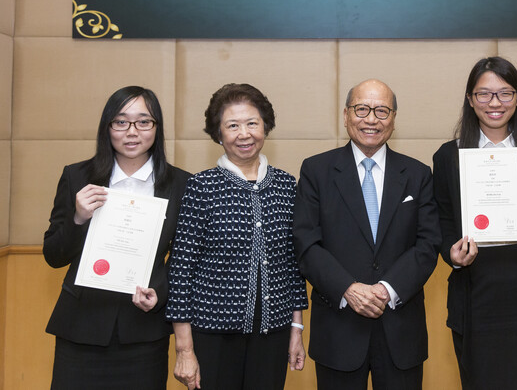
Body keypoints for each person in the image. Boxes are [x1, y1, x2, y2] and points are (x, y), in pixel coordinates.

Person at [293, 78, 441, 389]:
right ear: (345, 115)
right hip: (339, 328)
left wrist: (387, 288)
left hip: (400, 330)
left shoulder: (417, 175)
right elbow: (306, 243)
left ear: (394, 119)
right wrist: (348, 288)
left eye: (382, 111)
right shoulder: (316, 171)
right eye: (362, 109)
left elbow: (428, 244)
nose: (371, 119)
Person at [432, 57, 517, 389]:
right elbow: (442, 223)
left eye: (505, 93)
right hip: (475, 297)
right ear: (470, 99)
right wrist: (452, 254)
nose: (495, 103)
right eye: (484, 94)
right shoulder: (449, 157)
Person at [43, 86, 191, 390]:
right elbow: (53, 255)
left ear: (157, 128)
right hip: (81, 328)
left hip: (143, 333)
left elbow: (182, 261)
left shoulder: (181, 184)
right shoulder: (77, 176)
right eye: (121, 121)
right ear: (107, 127)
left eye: (144, 121)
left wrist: (159, 294)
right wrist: (78, 218)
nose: (132, 132)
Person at [166, 83, 308, 390]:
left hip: (274, 331)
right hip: (213, 334)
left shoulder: (286, 185)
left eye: (252, 123)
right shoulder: (201, 187)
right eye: (232, 125)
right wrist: (184, 350)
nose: (244, 134)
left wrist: (296, 328)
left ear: (266, 127)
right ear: (218, 134)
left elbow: (294, 264)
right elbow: (180, 271)